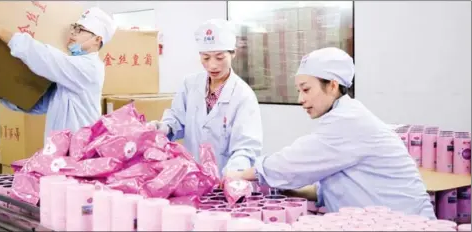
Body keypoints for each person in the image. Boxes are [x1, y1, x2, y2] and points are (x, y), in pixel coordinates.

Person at [225, 47, 436, 218]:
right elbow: (333, 186)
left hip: (406, 222)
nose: (300, 99)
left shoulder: (349, 122)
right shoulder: (341, 118)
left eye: (306, 89)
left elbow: (291, 162)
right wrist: (286, 190)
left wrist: (237, 175)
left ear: (333, 86)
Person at [0, 7, 116, 140]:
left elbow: (44, 57)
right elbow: (38, 105)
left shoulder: (89, 68)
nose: (73, 32)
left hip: (80, 154)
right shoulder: (67, 74)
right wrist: (3, 95)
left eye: (80, 29)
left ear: (97, 39)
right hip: (61, 154)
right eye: (74, 27)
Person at [148, 19, 263, 175]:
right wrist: (163, 127)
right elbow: (176, 119)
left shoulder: (243, 96)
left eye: (220, 57)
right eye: (206, 57)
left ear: (233, 53)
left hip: (224, 181)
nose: (212, 65)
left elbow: (246, 148)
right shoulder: (190, 84)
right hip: (192, 177)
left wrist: (233, 174)